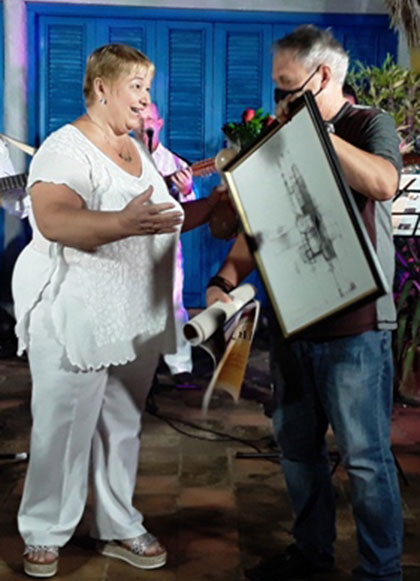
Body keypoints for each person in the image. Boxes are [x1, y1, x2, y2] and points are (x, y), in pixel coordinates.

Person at [12, 43, 223, 578]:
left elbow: (167, 218)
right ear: (101, 87)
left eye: (148, 89)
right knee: (61, 429)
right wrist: (122, 225)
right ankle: (44, 530)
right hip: (75, 312)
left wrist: (222, 205)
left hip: (132, 310)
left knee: (122, 425)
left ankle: (117, 523)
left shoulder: (138, 150)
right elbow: (55, 220)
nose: (146, 100)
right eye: (137, 87)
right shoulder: (65, 149)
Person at [206, 25, 403, 581]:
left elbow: (384, 182)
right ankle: (312, 554)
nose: (278, 101)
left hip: (356, 326)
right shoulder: (275, 132)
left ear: (323, 77)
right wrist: (225, 277)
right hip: (294, 322)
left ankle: (380, 571)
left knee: (365, 460)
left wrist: (314, 131)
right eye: (276, 89)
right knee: (296, 452)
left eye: (288, 88)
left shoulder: (369, 124)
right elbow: (254, 224)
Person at [133, 103, 197, 389]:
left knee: (172, 306)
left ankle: (180, 366)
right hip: (127, 246)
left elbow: (193, 210)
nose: (143, 123)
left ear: (159, 123)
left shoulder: (175, 164)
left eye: (149, 118)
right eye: (138, 117)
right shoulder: (118, 158)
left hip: (164, 247)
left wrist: (185, 191)